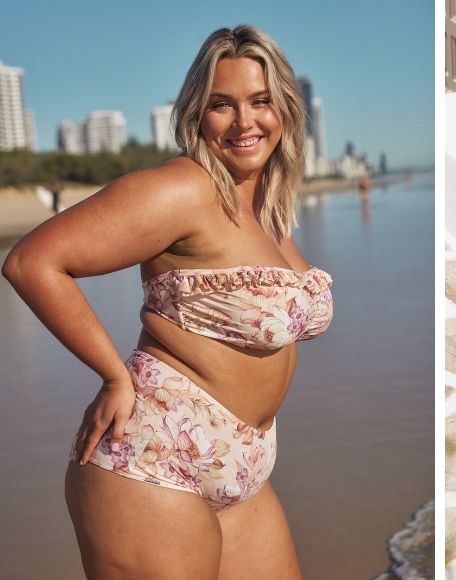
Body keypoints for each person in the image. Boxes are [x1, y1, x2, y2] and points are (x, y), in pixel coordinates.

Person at [2, 25, 332, 579]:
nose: (245, 121)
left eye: (261, 101)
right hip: (153, 461)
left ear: (285, 110)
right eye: (221, 105)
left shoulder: (268, 209)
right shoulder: (183, 189)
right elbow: (32, 261)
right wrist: (112, 375)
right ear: (196, 115)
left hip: (245, 464)